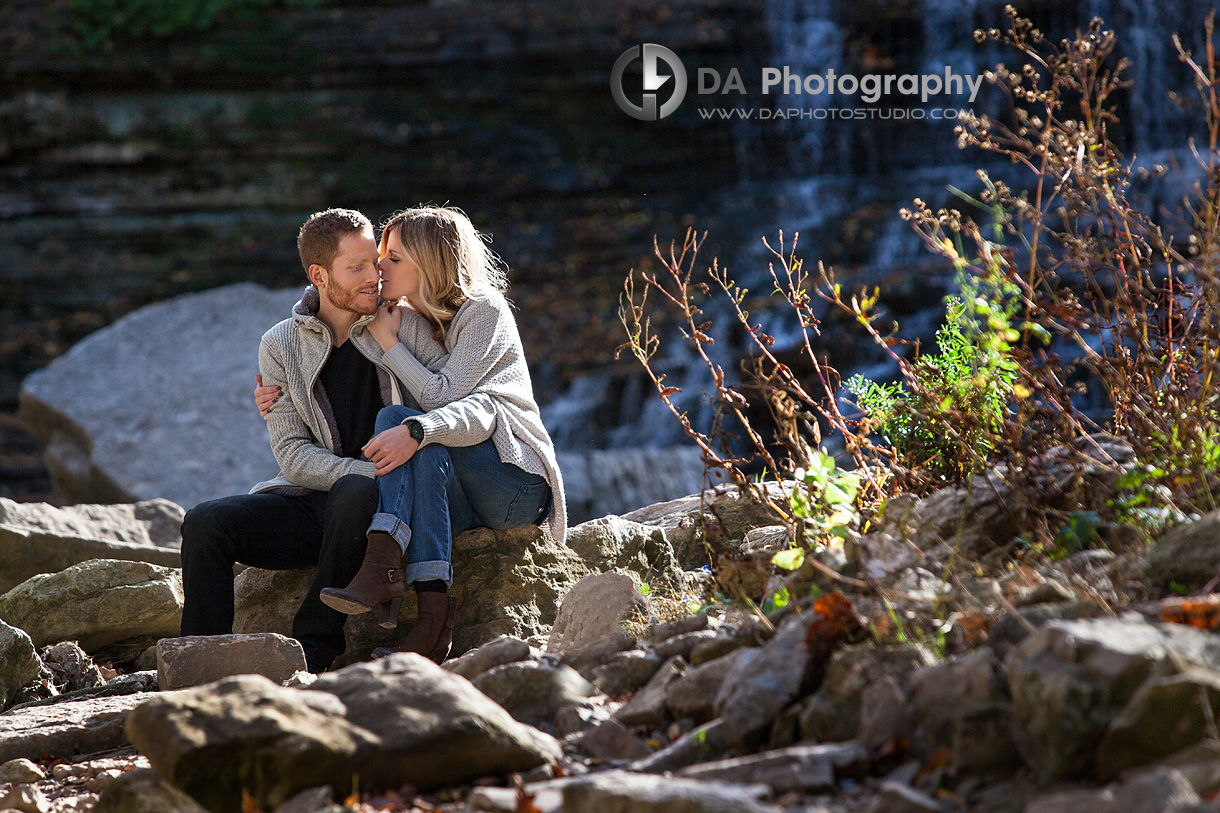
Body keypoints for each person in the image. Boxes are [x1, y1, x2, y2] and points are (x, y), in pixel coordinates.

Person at [255, 205, 568, 663]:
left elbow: (449, 401)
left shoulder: (484, 310)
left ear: (430, 263)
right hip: (462, 487)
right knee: (413, 444)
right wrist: (280, 396)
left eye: (393, 257)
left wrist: (389, 344)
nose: (380, 268)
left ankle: (382, 556)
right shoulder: (410, 315)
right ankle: (431, 624)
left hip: (513, 482)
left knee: (401, 425)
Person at [180, 208, 406, 674]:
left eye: (375, 263)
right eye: (357, 267)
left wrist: (373, 477)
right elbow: (291, 455)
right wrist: (362, 469)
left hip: (388, 508)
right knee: (205, 522)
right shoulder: (280, 343)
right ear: (319, 276)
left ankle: (312, 650)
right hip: (315, 503)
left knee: (356, 492)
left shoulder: (403, 326)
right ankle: (198, 662)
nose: (374, 277)